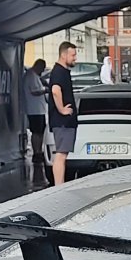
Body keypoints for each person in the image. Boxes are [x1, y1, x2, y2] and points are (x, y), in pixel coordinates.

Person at [48, 42, 79, 186]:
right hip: (62, 121)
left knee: (63, 154)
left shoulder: (62, 71)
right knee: (61, 154)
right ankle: (58, 187)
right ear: (63, 54)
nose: (75, 58)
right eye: (73, 55)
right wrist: (61, 109)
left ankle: (60, 185)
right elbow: (55, 90)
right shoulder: (59, 71)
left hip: (64, 121)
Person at [24, 58, 48, 166]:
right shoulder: (31, 76)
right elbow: (34, 91)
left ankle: (39, 151)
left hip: (39, 109)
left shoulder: (35, 76)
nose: (42, 71)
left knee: (40, 132)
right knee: (36, 132)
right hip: (34, 110)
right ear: (38, 66)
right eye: (42, 69)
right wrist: (45, 90)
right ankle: (36, 152)